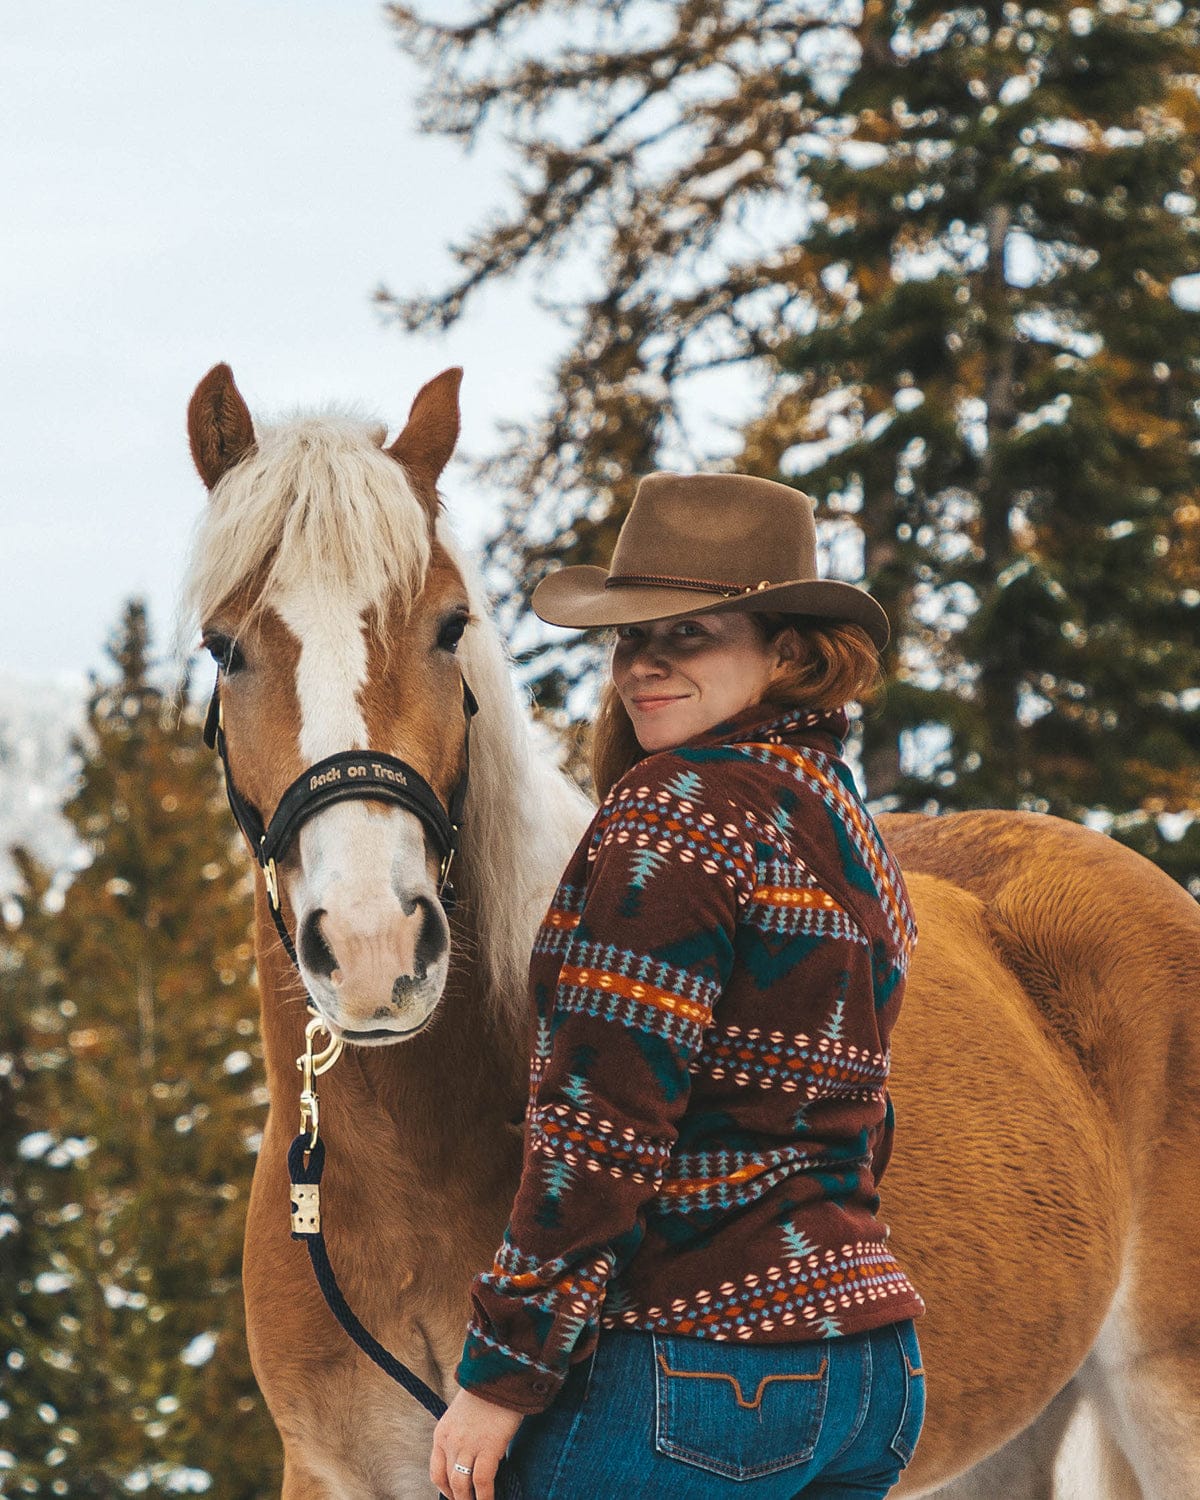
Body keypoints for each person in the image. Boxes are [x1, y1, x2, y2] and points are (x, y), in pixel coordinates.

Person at [430, 473, 925, 1500]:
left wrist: (503, 1372)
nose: (642, 663)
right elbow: (858, 1118)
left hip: (697, 1372)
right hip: (871, 1374)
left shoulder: (675, 814)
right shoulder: (842, 823)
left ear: (788, 651)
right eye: (626, 636)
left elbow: (601, 1127)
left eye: (688, 633)